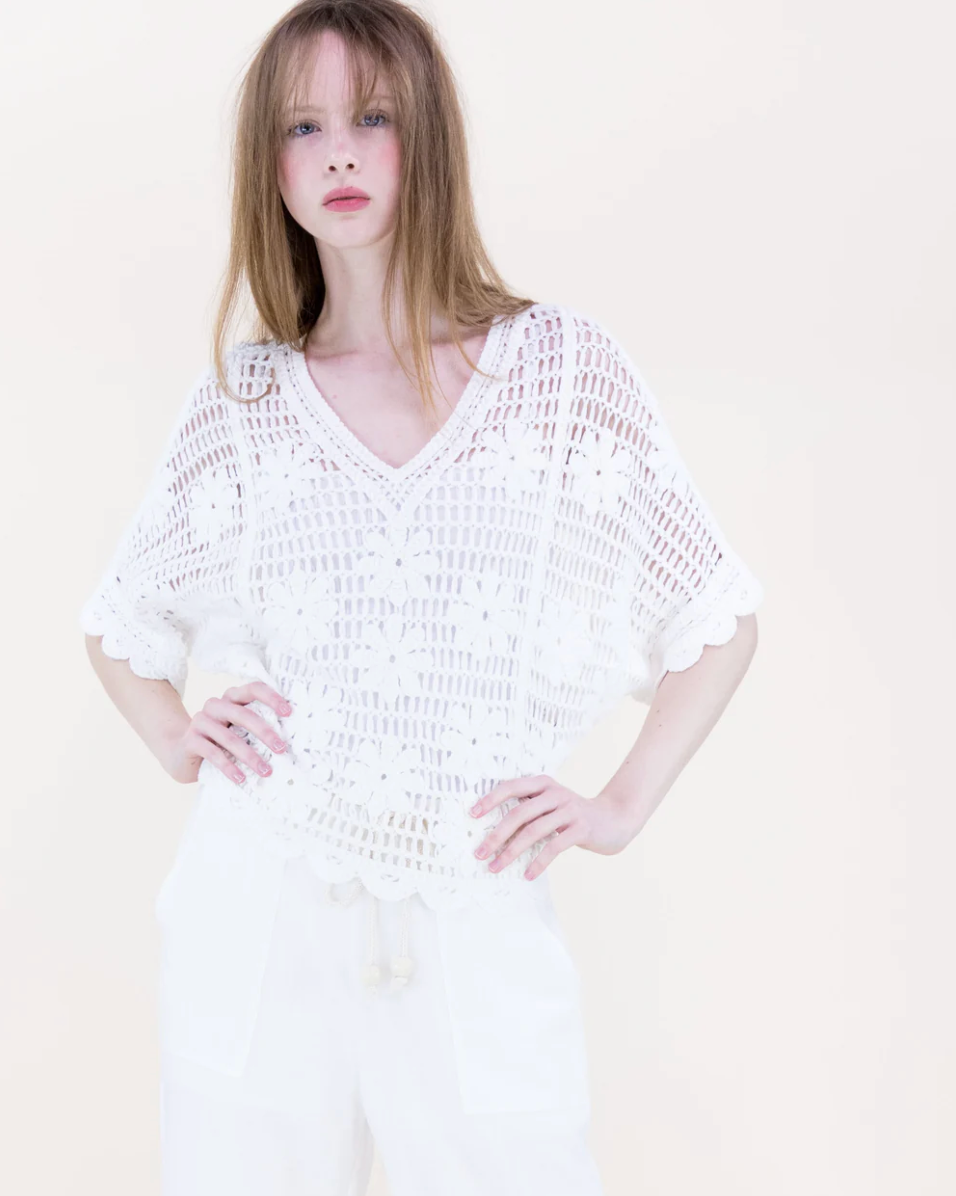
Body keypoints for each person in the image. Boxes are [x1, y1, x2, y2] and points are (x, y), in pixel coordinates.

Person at [79, 2, 764, 1193]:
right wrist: (178, 733)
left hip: (469, 903)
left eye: (372, 118)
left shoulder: (558, 372)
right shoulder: (245, 403)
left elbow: (715, 614)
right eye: (301, 126)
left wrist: (618, 803)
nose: (337, 153)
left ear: (428, 137)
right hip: (259, 908)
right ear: (268, 163)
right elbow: (119, 624)